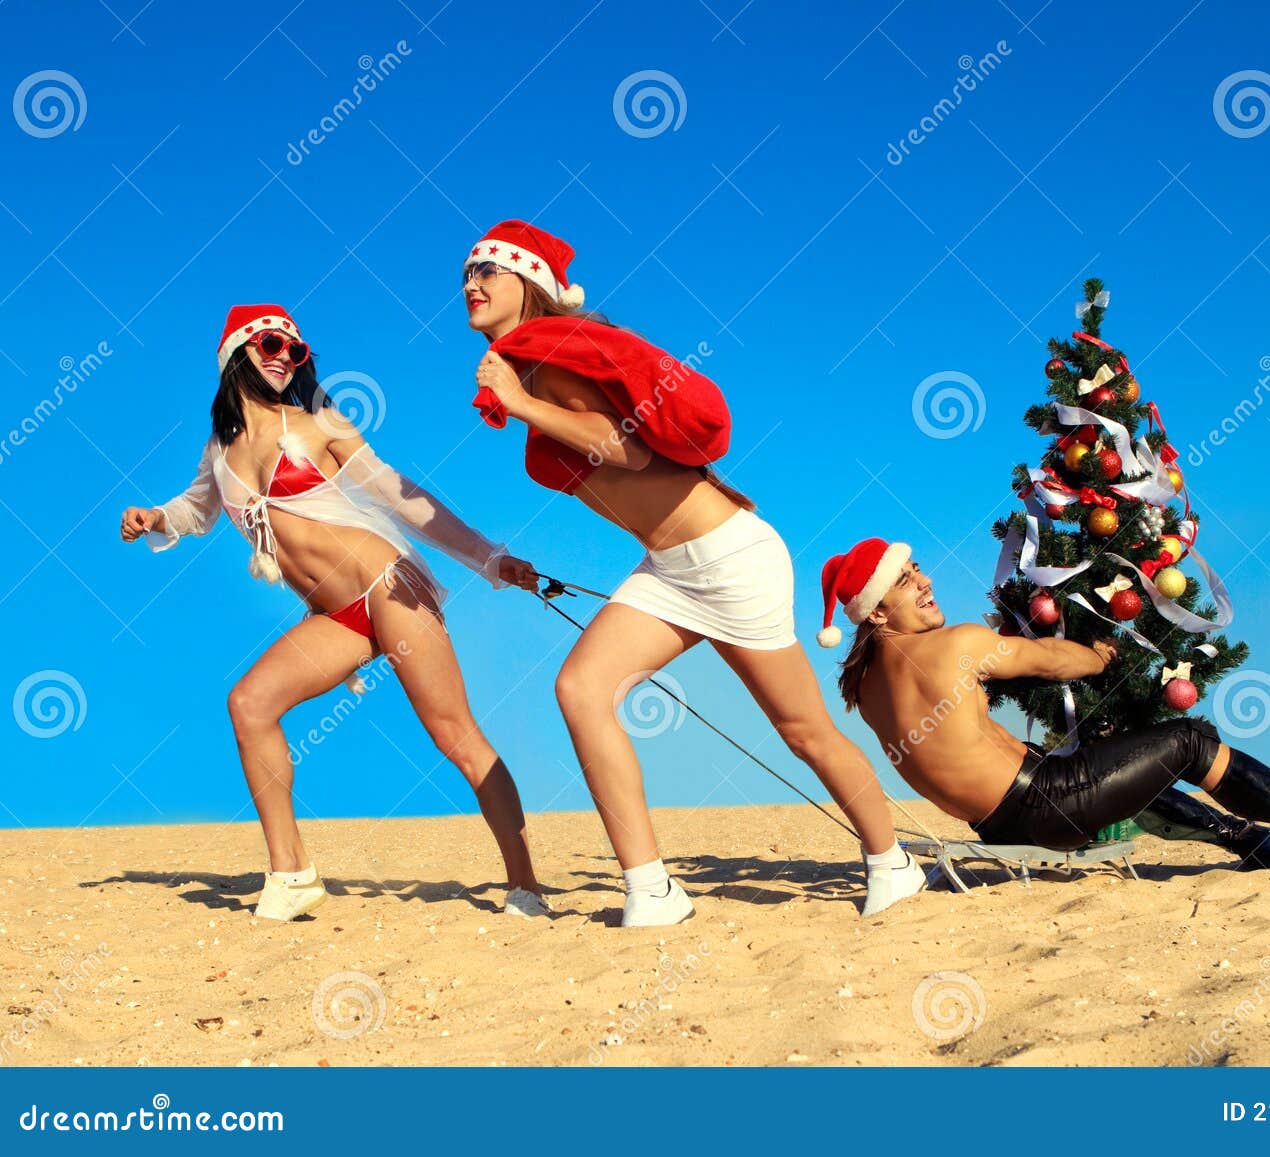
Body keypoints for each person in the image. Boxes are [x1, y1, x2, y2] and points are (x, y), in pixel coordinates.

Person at [461, 220, 925, 926]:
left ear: (529, 285)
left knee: (802, 730)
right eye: (467, 272)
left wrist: (522, 402)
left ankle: (893, 861)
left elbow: (630, 453)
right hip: (670, 569)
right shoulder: (532, 364)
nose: (472, 283)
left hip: (732, 556)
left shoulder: (549, 358)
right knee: (581, 689)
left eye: (489, 271)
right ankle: (650, 886)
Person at [121, 304, 550, 921]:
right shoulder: (220, 450)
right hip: (335, 614)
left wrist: (490, 558)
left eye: (295, 351)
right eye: (270, 343)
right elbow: (195, 508)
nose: (283, 357)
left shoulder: (317, 423)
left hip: (387, 584)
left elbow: (402, 496)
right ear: (236, 352)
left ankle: (525, 884)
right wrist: (154, 517)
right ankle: (291, 874)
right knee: (249, 704)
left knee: (454, 734)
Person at [816, 537, 1270, 871]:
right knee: (1188, 741)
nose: (924, 581)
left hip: (1000, 824)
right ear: (875, 610)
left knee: (1110, 756)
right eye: (903, 581)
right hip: (1045, 807)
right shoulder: (958, 644)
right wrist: (1100, 655)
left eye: (918, 568)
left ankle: (1250, 841)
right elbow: (1051, 661)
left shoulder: (864, 688)